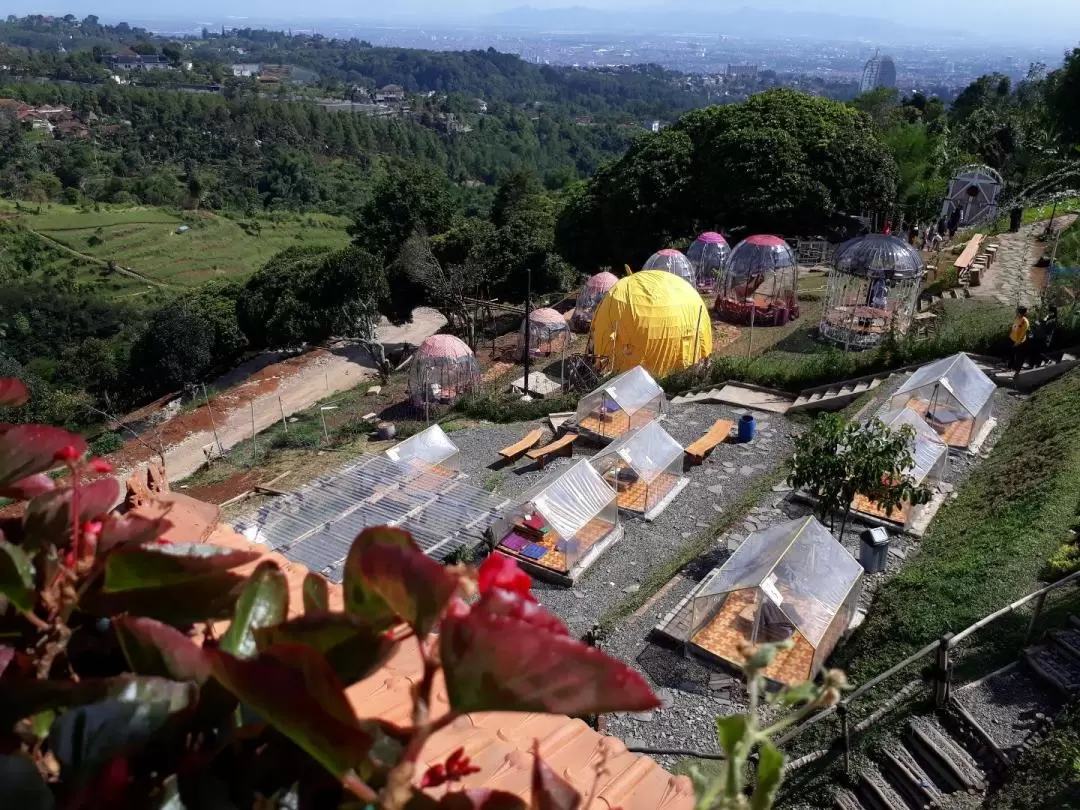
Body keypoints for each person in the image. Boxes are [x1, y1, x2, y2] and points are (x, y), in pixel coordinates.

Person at [1009, 306, 1030, 371]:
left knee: (1018, 357)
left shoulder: (1025, 322)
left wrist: (1017, 343)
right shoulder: (1017, 318)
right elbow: (1014, 326)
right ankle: (1010, 367)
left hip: (1019, 342)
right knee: (1011, 354)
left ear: (1021, 313)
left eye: (1018, 311)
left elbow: (1022, 334)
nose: (1016, 312)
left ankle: (1017, 371)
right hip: (1012, 338)